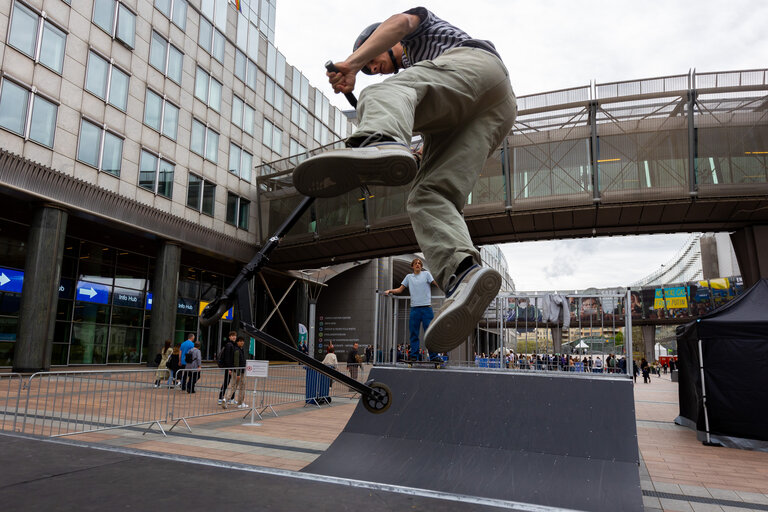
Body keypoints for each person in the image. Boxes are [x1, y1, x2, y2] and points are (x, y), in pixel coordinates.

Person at [292, 7, 515, 356]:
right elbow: (438, 105)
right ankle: (464, 273)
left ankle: (377, 140)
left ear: (377, 41)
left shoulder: (415, 33)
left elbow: (398, 24)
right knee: (429, 195)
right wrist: (419, 153)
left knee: (381, 94)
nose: (373, 69)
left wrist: (350, 63)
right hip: (494, 111)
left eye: (372, 63)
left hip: (477, 67)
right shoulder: (422, 73)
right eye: (367, 70)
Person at [385, 257, 440, 361]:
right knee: (414, 333)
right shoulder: (408, 277)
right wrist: (390, 291)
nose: (418, 264)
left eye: (419, 263)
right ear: (412, 266)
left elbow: (436, 283)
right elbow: (400, 290)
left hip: (426, 309)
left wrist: (445, 287)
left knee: (430, 333)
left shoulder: (426, 274)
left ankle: (434, 356)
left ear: (421, 266)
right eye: (415, 263)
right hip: (414, 309)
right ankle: (414, 356)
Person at [226, 336, 248, 409]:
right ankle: (240, 403)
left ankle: (226, 400)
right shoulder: (237, 350)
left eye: (243, 341)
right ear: (237, 342)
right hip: (239, 372)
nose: (242, 342)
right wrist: (238, 374)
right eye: (240, 341)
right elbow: (236, 363)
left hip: (239, 371)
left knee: (234, 386)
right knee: (241, 387)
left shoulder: (240, 349)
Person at [218, 331, 237, 405]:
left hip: (232, 368)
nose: (234, 337)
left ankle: (230, 398)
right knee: (227, 383)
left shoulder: (233, 344)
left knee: (231, 383)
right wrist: (229, 368)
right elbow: (228, 358)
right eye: (232, 336)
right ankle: (221, 398)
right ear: (229, 337)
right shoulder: (229, 345)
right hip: (229, 368)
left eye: (235, 335)